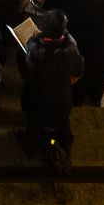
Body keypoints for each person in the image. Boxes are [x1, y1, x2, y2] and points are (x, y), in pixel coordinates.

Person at [19, 8, 84, 162]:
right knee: (62, 122)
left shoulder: (34, 52)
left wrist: (32, 41)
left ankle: (30, 148)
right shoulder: (71, 50)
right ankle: (66, 147)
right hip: (62, 98)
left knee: (34, 124)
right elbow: (79, 69)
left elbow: (25, 73)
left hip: (37, 98)